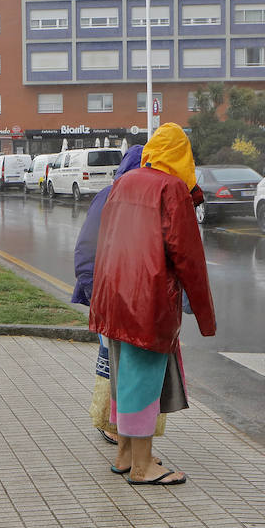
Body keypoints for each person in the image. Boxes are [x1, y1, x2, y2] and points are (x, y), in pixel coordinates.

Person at [89, 123, 216, 487]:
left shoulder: (124, 182)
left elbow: (106, 240)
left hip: (113, 299)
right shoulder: (172, 188)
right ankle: (143, 466)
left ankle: (126, 454)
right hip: (149, 302)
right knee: (143, 381)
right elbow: (188, 258)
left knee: (123, 377)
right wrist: (206, 318)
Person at [73, 144, 146, 448]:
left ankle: (125, 425)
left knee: (124, 361)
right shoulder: (110, 196)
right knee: (111, 359)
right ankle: (110, 423)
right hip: (108, 295)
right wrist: (93, 293)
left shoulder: (146, 200)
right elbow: (86, 248)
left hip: (133, 297)